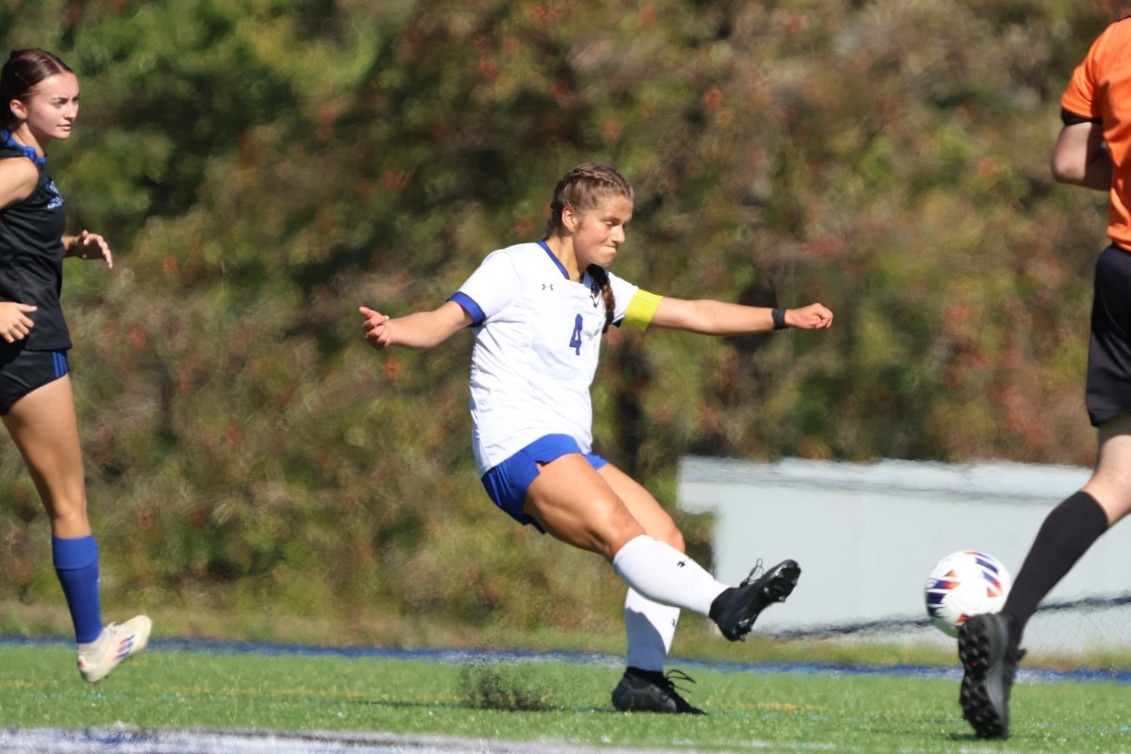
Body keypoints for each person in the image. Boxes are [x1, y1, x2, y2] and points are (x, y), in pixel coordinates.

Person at [361, 163, 834, 713]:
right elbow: (441, 322)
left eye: (624, 224)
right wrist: (395, 330)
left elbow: (695, 313)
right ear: (570, 217)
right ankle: (724, 602)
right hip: (517, 447)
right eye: (609, 222)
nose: (620, 235)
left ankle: (643, 681)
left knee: (663, 536)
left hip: (569, 450)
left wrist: (784, 316)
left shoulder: (601, 288)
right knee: (621, 531)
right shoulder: (512, 268)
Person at [957, 18, 1131, 740]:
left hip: (1122, 271)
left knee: (1116, 479)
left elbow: (1066, 161)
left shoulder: (1111, 43)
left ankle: (1009, 621)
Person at [0, 49, 150, 684]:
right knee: (68, 503)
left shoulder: (22, 162)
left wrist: (67, 246)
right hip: (25, 348)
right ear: (18, 106)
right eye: (57, 102)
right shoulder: (19, 169)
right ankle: (94, 644)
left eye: (75, 100)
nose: (71, 111)